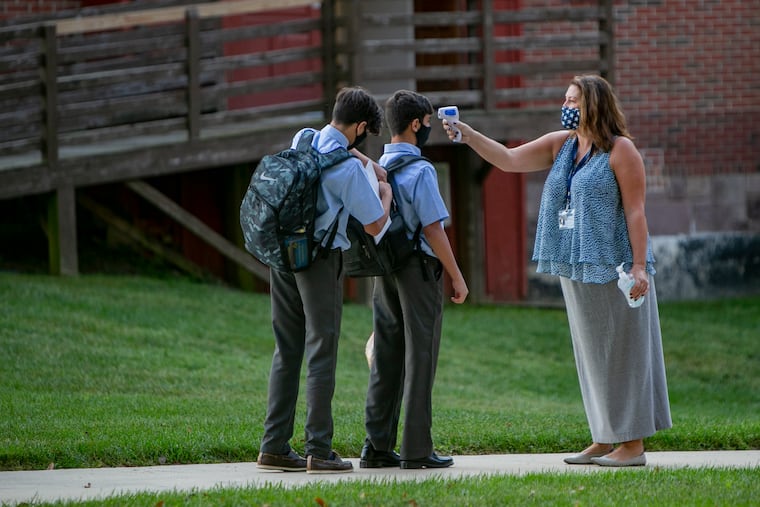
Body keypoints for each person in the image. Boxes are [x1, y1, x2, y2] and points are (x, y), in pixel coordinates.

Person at [441, 75, 671, 467]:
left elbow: (636, 211)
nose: (566, 106)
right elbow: (509, 160)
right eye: (566, 99)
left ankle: (632, 446)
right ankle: (605, 436)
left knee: (624, 353)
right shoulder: (562, 144)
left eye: (573, 101)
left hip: (614, 268)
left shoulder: (621, 150)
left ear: (593, 105)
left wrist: (638, 266)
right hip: (575, 263)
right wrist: (467, 134)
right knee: (592, 356)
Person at [257, 86, 392, 474]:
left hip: (282, 255)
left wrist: (367, 159)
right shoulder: (347, 170)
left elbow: (335, 145)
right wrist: (382, 188)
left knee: (287, 348)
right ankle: (319, 448)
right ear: (362, 127)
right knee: (322, 348)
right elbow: (374, 223)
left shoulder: (304, 138)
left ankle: (274, 446)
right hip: (318, 260)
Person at [361, 89, 469, 470]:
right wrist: (457, 277)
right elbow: (434, 230)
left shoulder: (376, 166)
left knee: (386, 356)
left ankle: (376, 447)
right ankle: (417, 449)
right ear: (415, 124)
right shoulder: (422, 170)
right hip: (419, 272)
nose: (428, 130)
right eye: (426, 123)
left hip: (384, 269)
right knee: (420, 357)